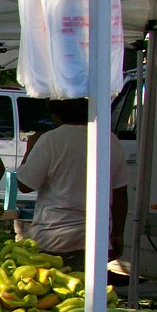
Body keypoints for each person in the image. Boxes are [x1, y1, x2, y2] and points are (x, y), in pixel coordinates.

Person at [15, 98, 128, 272]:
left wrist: (30, 148)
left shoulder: (50, 140)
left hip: (54, 238)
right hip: (95, 239)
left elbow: (24, 184)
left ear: (55, 115)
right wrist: (117, 234)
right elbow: (120, 195)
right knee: (86, 296)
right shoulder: (109, 139)